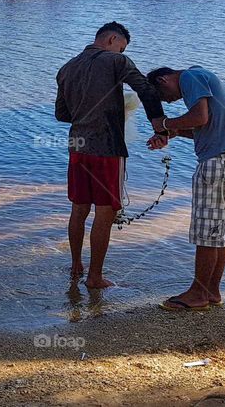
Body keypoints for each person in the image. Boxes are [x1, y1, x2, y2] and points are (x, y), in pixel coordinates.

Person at [56, 22, 166, 288]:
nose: (122, 51)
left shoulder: (67, 68)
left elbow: (62, 115)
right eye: (122, 46)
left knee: (79, 209)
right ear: (113, 39)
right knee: (105, 213)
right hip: (107, 147)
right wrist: (159, 128)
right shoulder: (116, 61)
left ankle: (75, 266)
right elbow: (146, 89)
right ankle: (94, 277)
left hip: (77, 147)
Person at [146, 66, 225, 311]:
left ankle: (198, 293)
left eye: (163, 95)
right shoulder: (202, 76)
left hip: (215, 163)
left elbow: (200, 117)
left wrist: (163, 122)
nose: (169, 100)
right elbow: (203, 126)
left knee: (206, 232)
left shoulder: (190, 77)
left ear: (163, 79)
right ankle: (211, 291)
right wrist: (172, 131)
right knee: (219, 231)